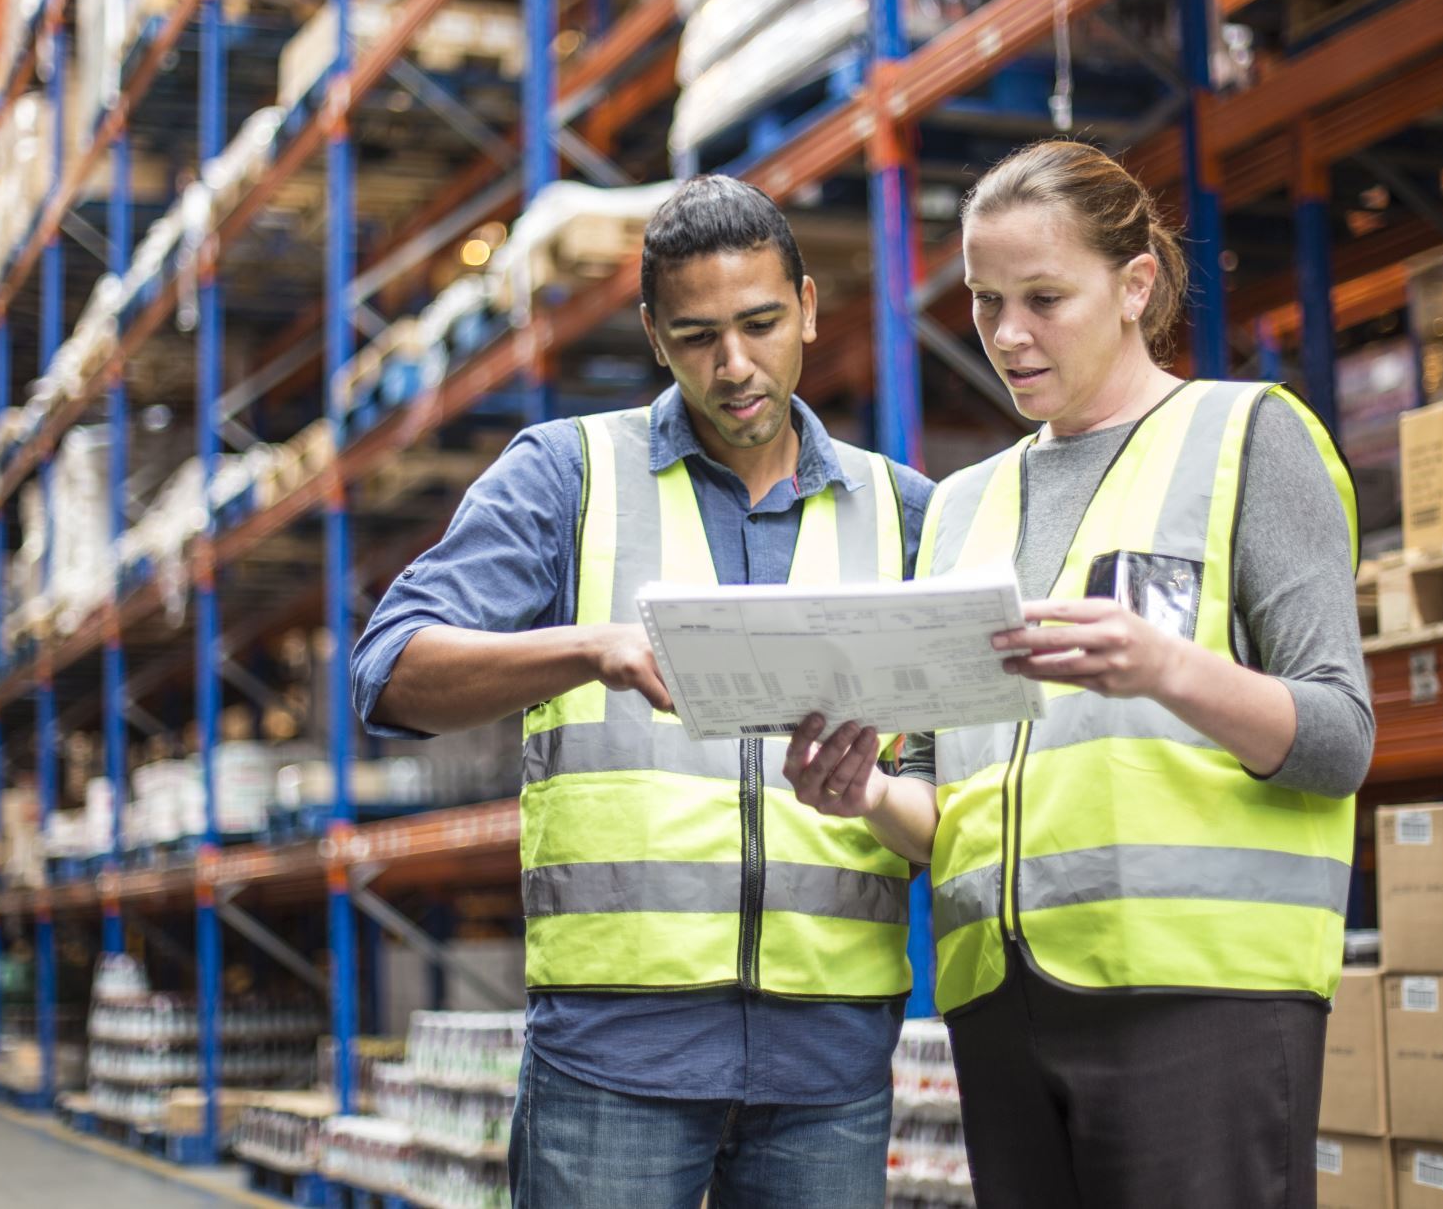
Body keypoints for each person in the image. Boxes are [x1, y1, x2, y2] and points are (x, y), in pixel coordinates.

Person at [785, 139, 1372, 1208]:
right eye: (983, 300)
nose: (1007, 336)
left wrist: (1167, 669)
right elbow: (942, 801)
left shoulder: (1245, 439)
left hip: (1198, 993)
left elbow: (1337, 739)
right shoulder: (961, 508)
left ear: (1134, 284)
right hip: (1001, 1005)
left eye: (1043, 298)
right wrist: (866, 793)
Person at [350, 174, 935, 1209]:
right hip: (614, 1056)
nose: (735, 366)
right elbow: (390, 674)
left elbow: (954, 796)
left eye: (760, 324)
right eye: (698, 335)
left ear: (806, 304)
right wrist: (590, 651)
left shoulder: (905, 513)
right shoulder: (568, 477)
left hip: (829, 1059)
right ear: (652, 337)